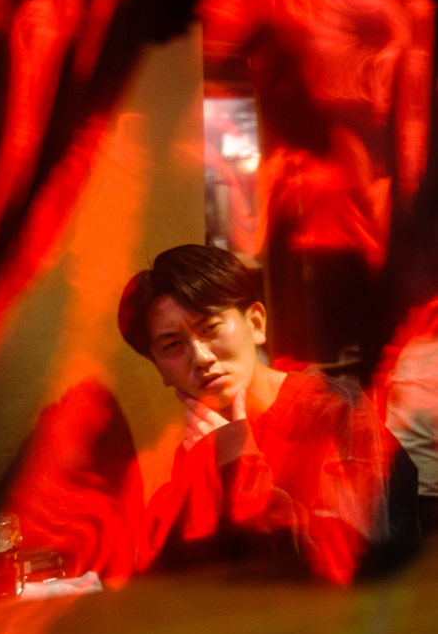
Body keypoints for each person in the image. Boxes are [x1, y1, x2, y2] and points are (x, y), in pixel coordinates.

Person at [118, 244, 418, 583]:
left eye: (210, 328)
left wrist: (236, 460)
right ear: (158, 366)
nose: (200, 357)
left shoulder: (334, 411)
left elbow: (348, 570)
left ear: (257, 323)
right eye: (172, 345)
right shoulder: (203, 439)